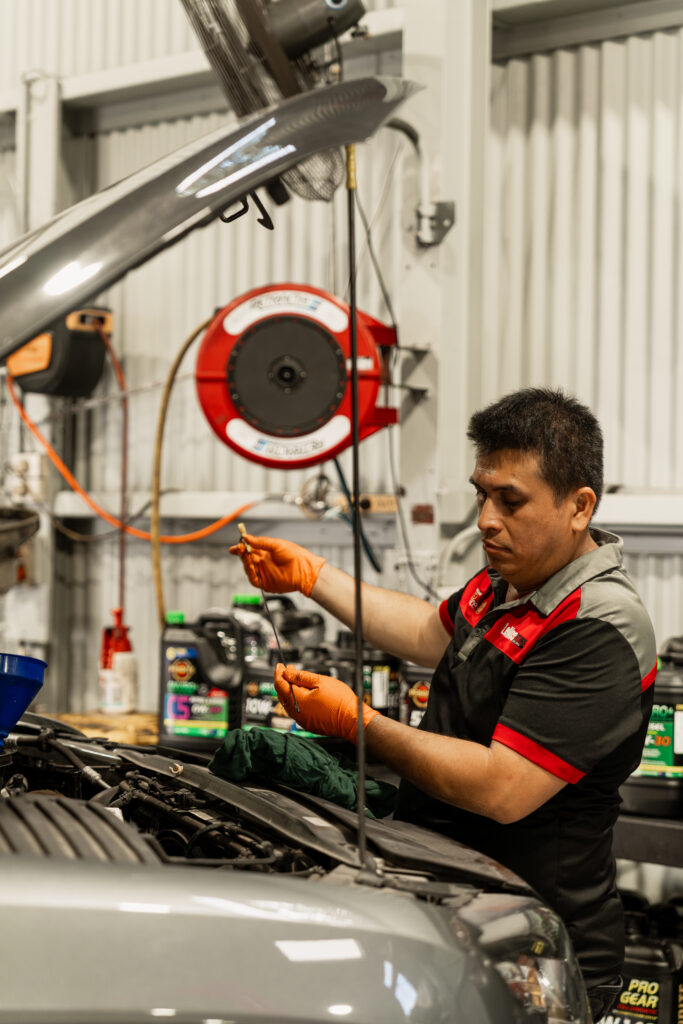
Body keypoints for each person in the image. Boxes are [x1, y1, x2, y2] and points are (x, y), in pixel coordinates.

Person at [230, 387, 656, 1021]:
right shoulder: (510, 581)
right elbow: (430, 633)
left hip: (535, 947)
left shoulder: (597, 626)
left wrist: (360, 723)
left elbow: (502, 788)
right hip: (453, 905)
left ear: (579, 506)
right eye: (481, 494)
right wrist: (313, 577)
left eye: (510, 501)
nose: (485, 519)